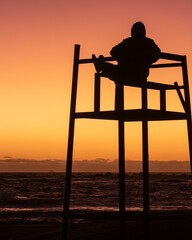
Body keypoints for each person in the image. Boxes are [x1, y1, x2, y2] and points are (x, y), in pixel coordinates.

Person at [92, 22, 161, 86]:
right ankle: (101, 65)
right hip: (141, 74)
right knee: (112, 68)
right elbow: (157, 54)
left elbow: (113, 52)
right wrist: (147, 60)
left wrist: (123, 57)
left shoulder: (128, 42)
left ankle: (101, 65)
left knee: (111, 69)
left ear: (132, 32)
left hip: (125, 73)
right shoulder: (149, 42)